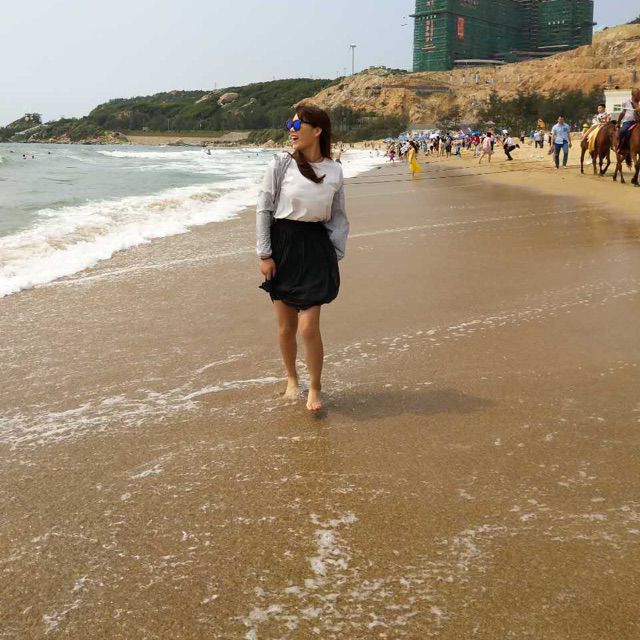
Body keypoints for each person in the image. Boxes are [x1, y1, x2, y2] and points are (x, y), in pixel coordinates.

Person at [256, 105, 348, 412]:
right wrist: (265, 254)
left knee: (308, 327)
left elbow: (338, 216)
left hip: (316, 248)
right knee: (286, 326)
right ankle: (292, 379)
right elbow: (264, 209)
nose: (291, 130)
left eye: (298, 125)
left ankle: (316, 386)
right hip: (283, 246)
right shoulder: (281, 164)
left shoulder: (334, 170)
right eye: (290, 124)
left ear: (317, 130)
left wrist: (335, 253)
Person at [616, 88, 640, 153]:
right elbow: (622, 113)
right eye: (637, 94)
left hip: (638, 122)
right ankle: (621, 147)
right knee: (622, 131)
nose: (639, 95)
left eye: (639, 94)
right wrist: (618, 122)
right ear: (632, 94)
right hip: (628, 122)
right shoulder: (626, 102)